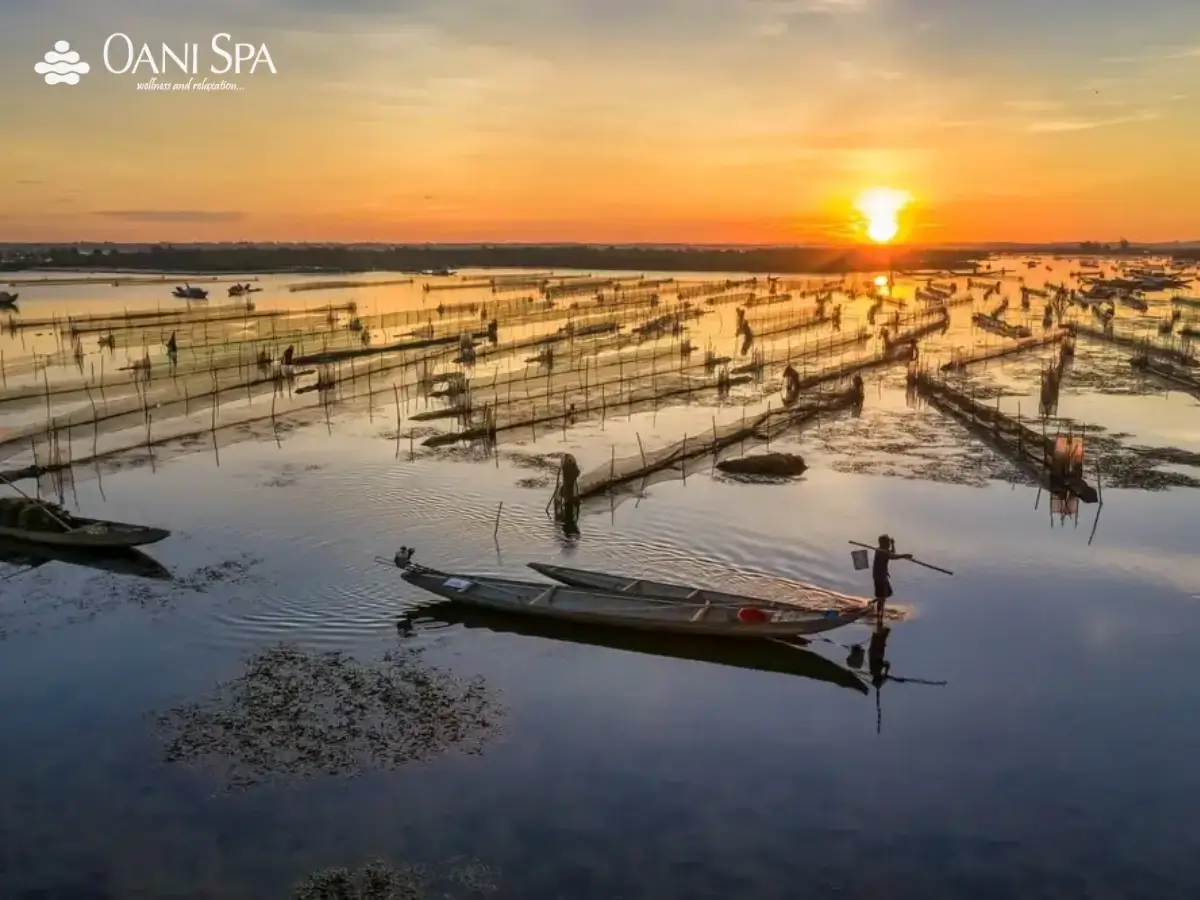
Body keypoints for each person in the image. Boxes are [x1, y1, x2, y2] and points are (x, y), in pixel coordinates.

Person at [872, 534, 911, 614]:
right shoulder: (880, 552)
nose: (889, 544)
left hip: (883, 576)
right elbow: (893, 556)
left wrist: (893, 544)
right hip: (879, 577)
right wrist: (904, 555)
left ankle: (877, 601)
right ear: (884, 544)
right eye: (888, 543)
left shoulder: (884, 550)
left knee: (888, 593)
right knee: (882, 596)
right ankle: (879, 615)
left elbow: (892, 553)